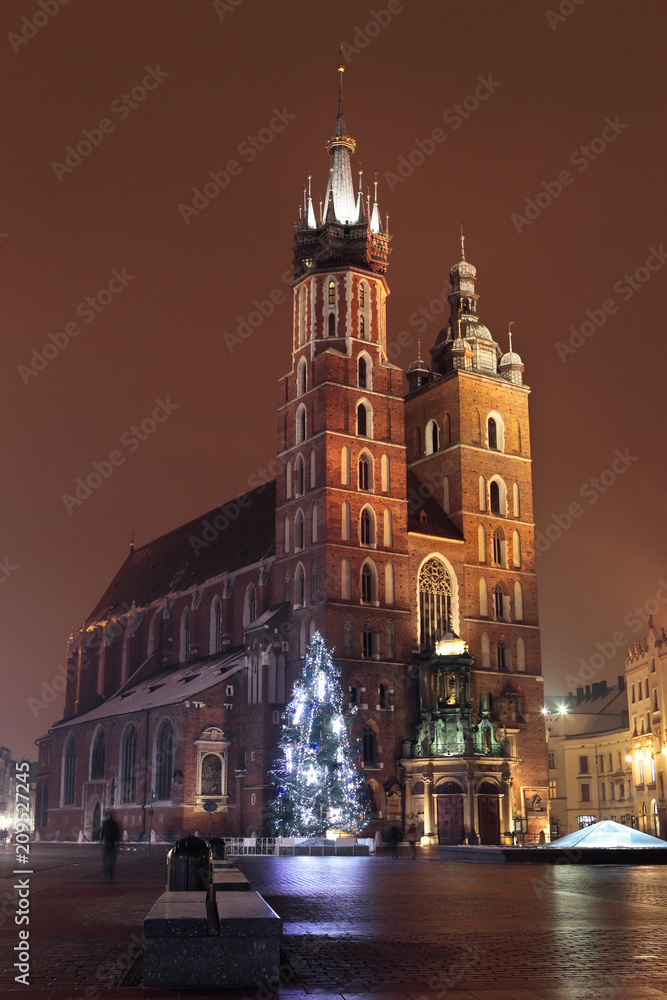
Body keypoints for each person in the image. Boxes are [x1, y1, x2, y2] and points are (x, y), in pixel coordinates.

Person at [100, 810, 120, 880]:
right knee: (112, 859)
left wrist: (100, 840)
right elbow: (117, 833)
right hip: (113, 843)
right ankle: (111, 874)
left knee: (105, 859)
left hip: (107, 842)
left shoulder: (105, 823)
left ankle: (105, 873)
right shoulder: (114, 823)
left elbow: (102, 832)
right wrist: (118, 843)